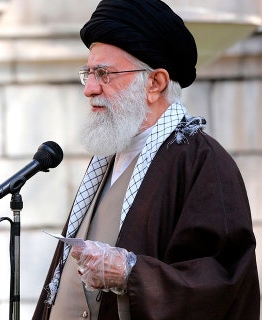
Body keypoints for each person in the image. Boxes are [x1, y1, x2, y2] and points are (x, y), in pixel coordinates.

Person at [32, 0, 260, 319]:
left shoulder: (202, 161)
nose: (90, 89)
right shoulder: (107, 158)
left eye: (104, 74)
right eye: (88, 73)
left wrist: (130, 274)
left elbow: (223, 282)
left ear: (155, 83)